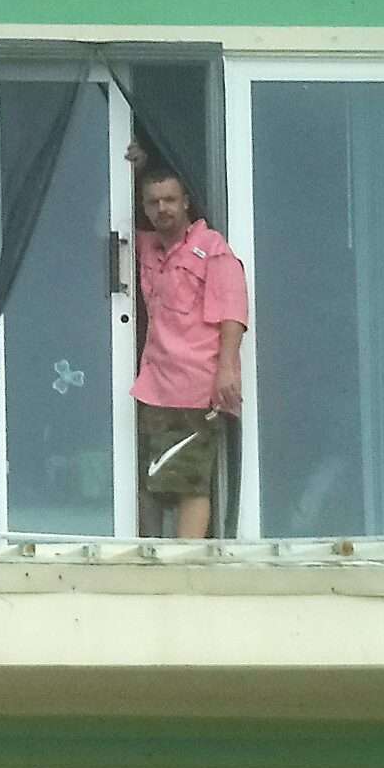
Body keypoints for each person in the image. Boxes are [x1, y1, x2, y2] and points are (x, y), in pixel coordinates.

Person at [130, 166, 247, 539]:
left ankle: (183, 565)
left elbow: (233, 312)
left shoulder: (212, 249)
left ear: (185, 202)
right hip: (153, 385)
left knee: (190, 481)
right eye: (153, 202)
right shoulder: (146, 245)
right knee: (149, 479)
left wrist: (227, 370)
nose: (162, 208)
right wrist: (127, 166)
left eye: (170, 200)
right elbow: (103, 226)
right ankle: (148, 557)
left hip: (195, 386)